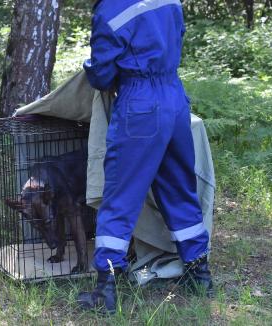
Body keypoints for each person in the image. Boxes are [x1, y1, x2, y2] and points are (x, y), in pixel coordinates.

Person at [77, 0, 213, 314]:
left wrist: (93, 67)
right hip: (175, 98)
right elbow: (176, 37)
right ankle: (199, 275)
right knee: (180, 189)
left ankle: (106, 288)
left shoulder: (110, 10)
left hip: (139, 105)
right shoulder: (171, 1)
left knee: (120, 197)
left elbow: (100, 74)